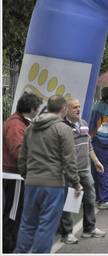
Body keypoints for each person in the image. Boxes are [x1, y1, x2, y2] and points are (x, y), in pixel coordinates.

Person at [14, 95, 83, 253]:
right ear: (64, 109)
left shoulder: (31, 127)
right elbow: (69, 160)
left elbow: (23, 156)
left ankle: (20, 252)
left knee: (27, 224)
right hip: (53, 184)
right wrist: (76, 183)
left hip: (31, 182)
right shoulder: (63, 128)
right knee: (46, 225)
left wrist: (27, 176)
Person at [59, 98, 106, 244]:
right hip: (69, 171)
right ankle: (67, 233)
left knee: (90, 199)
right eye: (74, 107)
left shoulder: (84, 124)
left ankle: (89, 228)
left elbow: (88, 145)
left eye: (79, 107)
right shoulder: (62, 127)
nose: (78, 109)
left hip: (84, 170)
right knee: (69, 203)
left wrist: (96, 161)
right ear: (66, 110)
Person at [2, 93, 42, 253]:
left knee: (15, 214)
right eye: (37, 109)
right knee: (13, 216)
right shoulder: (16, 125)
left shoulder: (19, 122)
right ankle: (8, 248)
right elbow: (18, 152)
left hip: (16, 175)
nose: (38, 111)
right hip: (15, 176)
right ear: (32, 109)